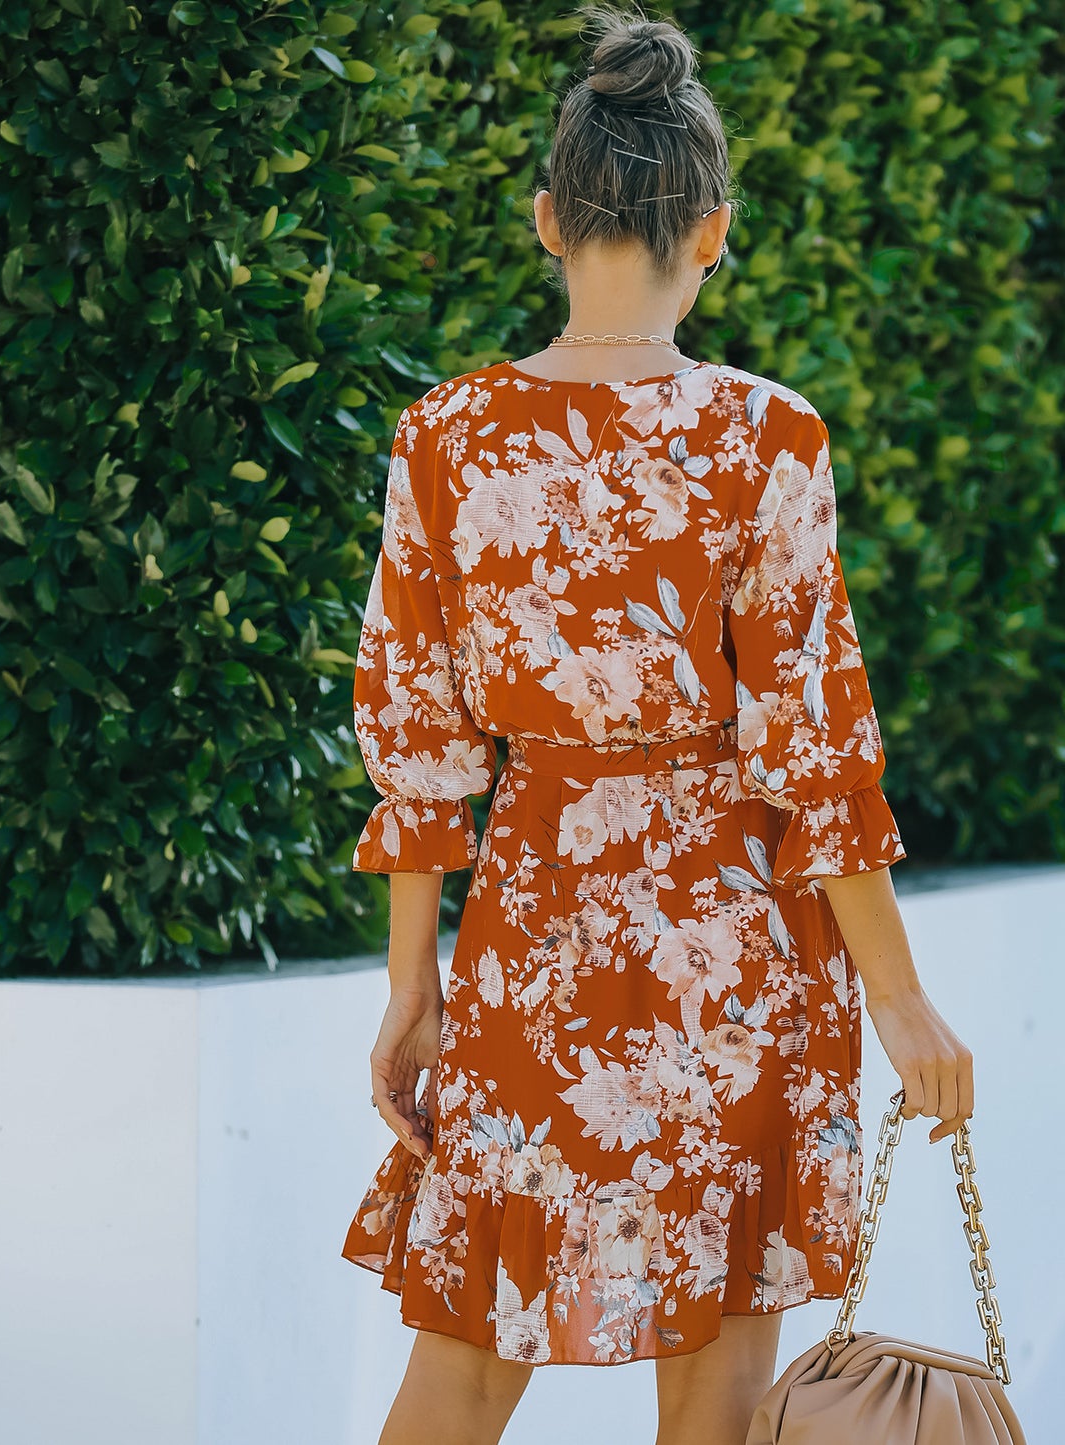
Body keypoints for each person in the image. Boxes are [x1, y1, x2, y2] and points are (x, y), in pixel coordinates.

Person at [339, 6, 974, 1443]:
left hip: (528, 931)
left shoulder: (440, 439)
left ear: (547, 219)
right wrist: (897, 992)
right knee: (719, 1380)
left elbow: (421, 734)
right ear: (717, 231)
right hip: (732, 945)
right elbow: (812, 746)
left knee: (459, 1358)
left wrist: (412, 979)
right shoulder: (768, 437)